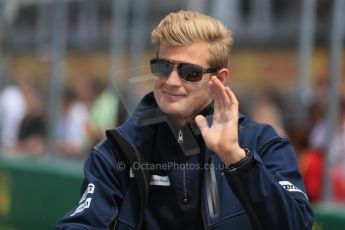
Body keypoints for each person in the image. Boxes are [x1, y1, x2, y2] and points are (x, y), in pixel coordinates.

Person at [56, 10, 313, 230]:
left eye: (190, 72)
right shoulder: (117, 150)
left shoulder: (264, 142)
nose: (171, 81)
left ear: (220, 79)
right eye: (163, 67)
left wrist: (237, 159)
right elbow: (82, 222)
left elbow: (297, 222)